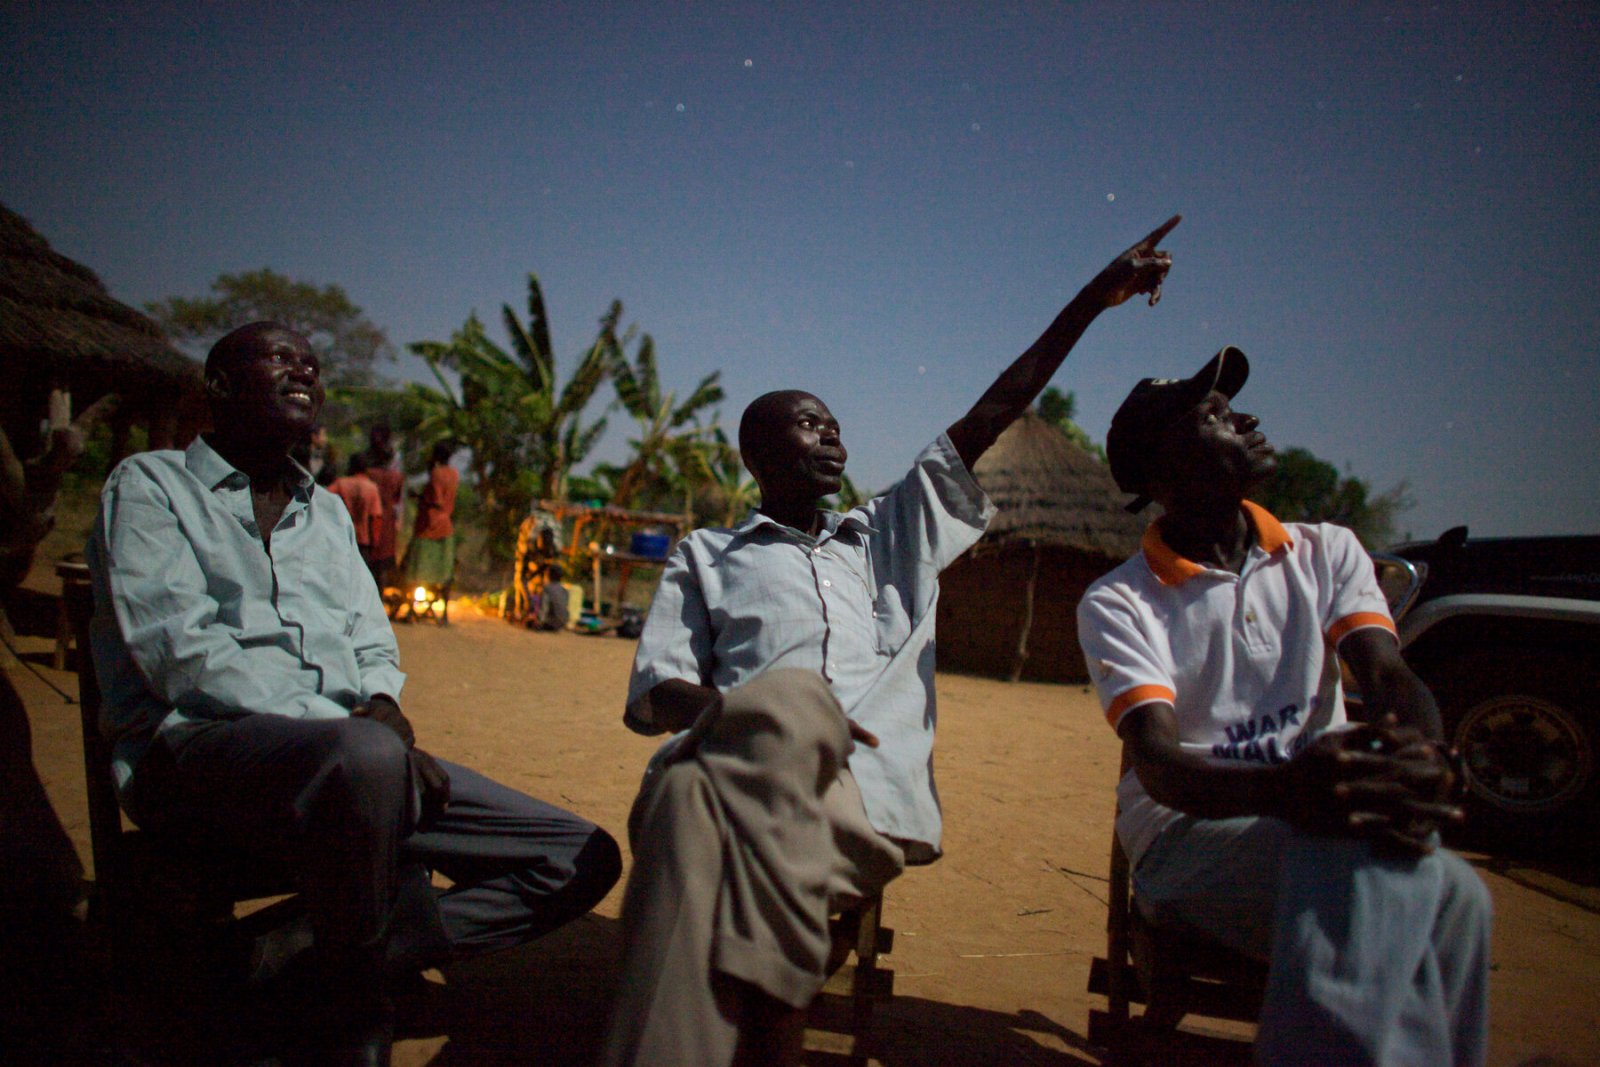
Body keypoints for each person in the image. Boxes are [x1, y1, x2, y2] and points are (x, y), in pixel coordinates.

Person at [601, 217, 1181, 1067]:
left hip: (856, 786)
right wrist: (744, 718)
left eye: (835, 424)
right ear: (761, 452)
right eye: (809, 425)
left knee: (699, 819)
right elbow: (658, 691)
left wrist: (1093, 301)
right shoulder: (707, 554)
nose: (833, 436)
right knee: (701, 788)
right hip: (728, 766)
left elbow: (994, 410)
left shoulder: (888, 537)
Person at [85, 321, 622, 1065]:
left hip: (356, 763)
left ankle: (297, 958)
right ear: (218, 386)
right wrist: (368, 738)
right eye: (279, 357)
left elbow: (371, 638)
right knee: (364, 759)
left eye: (312, 361)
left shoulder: (328, 511)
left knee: (579, 856)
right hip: (198, 757)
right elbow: (185, 655)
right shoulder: (150, 487)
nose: (303, 369)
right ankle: (354, 998)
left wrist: (384, 706)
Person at [1076, 346, 1491, 1065]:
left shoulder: (1324, 550)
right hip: (1188, 838)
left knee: (1459, 898)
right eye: (1213, 414)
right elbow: (1162, 764)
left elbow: (1388, 677)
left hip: (1327, 816)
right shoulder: (1121, 599)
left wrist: (1417, 759)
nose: (1246, 419)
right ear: (1158, 468)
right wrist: (1292, 792)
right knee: (1356, 870)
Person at [399, 440, 460, 597]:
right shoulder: (454, 473)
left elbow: (435, 500)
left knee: (417, 568)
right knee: (444, 571)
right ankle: (443, 614)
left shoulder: (436, 473)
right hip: (446, 524)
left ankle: (411, 606)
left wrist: (418, 496)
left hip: (429, 525)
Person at [359, 423, 404, 592]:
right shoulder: (396, 476)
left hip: (369, 517)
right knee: (382, 562)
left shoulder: (368, 475)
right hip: (387, 520)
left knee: (368, 558)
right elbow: (398, 500)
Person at [330, 457, 384, 582]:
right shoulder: (371, 487)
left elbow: (323, 499)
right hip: (362, 540)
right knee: (359, 578)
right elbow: (376, 517)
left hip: (341, 536)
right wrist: (375, 542)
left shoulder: (340, 483)